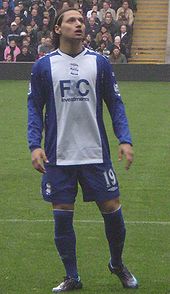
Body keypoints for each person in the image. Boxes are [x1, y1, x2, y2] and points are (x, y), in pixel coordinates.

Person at [27, 7, 138, 293]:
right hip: (58, 155)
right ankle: (72, 276)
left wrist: (124, 138)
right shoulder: (43, 66)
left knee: (113, 210)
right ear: (57, 28)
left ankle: (116, 263)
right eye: (71, 20)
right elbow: (34, 108)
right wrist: (34, 145)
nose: (79, 24)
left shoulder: (100, 63)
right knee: (62, 215)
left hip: (95, 153)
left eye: (81, 20)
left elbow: (115, 103)